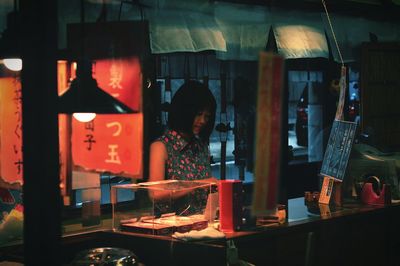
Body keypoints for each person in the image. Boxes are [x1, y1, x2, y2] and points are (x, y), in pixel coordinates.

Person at [148, 80, 218, 211]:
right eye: (198, 114)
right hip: (173, 226)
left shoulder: (201, 146)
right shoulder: (161, 147)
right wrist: (198, 184)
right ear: (184, 111)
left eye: (207, 116)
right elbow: (155, 194)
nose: (202, 121)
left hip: (202, 223)